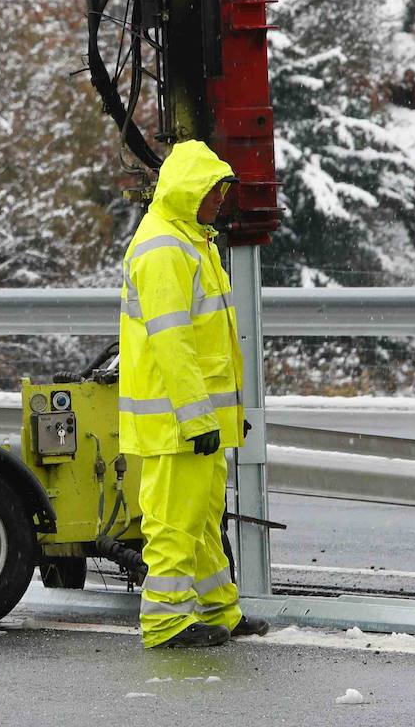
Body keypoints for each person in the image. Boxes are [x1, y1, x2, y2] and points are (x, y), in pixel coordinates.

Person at [118, 140, 269, 649]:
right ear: (188, 192)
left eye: (222, 192)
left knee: (202, 523)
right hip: (177, 425)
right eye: (212, 192)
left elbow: (209, 346)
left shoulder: (190, 240)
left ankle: (219, 610)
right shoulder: (164, 247)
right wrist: (199, 418)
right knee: (173, 525)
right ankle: (165, 623)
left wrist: (222, 418)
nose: (220, 202)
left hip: (195, 421)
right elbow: (173, 344)